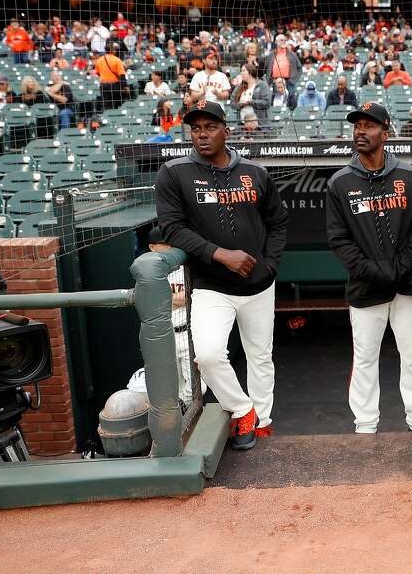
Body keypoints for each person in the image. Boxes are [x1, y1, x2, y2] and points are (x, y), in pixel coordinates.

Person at [155, 100, 288, 450]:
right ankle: (244, 409)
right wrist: (219, 254)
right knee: (210, 354)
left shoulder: (255, 172)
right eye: (195, 128)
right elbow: (171, 228)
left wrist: (270, 264)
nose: (202, 134)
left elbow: (277, 222)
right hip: (213, 285)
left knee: (261, 357)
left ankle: (263, 422)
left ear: (226, 131)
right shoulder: (175, 172)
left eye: (210, 126)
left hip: (259, 286)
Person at [325, 102, 412, 434]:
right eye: (357, 126)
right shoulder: (340, 182)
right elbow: (338, 239)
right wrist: (373, 270)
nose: (360, 131)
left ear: (386, 133)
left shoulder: (408, 176)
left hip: (405, 285)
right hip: (365, 286)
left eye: (369, 126)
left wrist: (399, 267)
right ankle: (366, 425)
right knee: (365, 359)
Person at [145, 227, 207, 408]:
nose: (171, 248)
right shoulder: (149, 272)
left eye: (173, 244)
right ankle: (182, 423)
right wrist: (175, 299)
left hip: (187, 333)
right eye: (166, 245)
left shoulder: (185, 266)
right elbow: (151, 302)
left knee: (198, 387)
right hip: (164, 337)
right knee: (172, 387)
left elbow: (188, 297)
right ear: (152, 247)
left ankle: (185, 411)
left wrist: (168, 299)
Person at [95, 42, 127, 111]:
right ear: (113, 50)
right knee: (118, 105)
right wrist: (124, 87)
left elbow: (97, 73)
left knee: (107, 106)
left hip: (103, 86)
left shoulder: (99, 60)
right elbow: (122, 75)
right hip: (114, 86)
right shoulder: (117, 60)